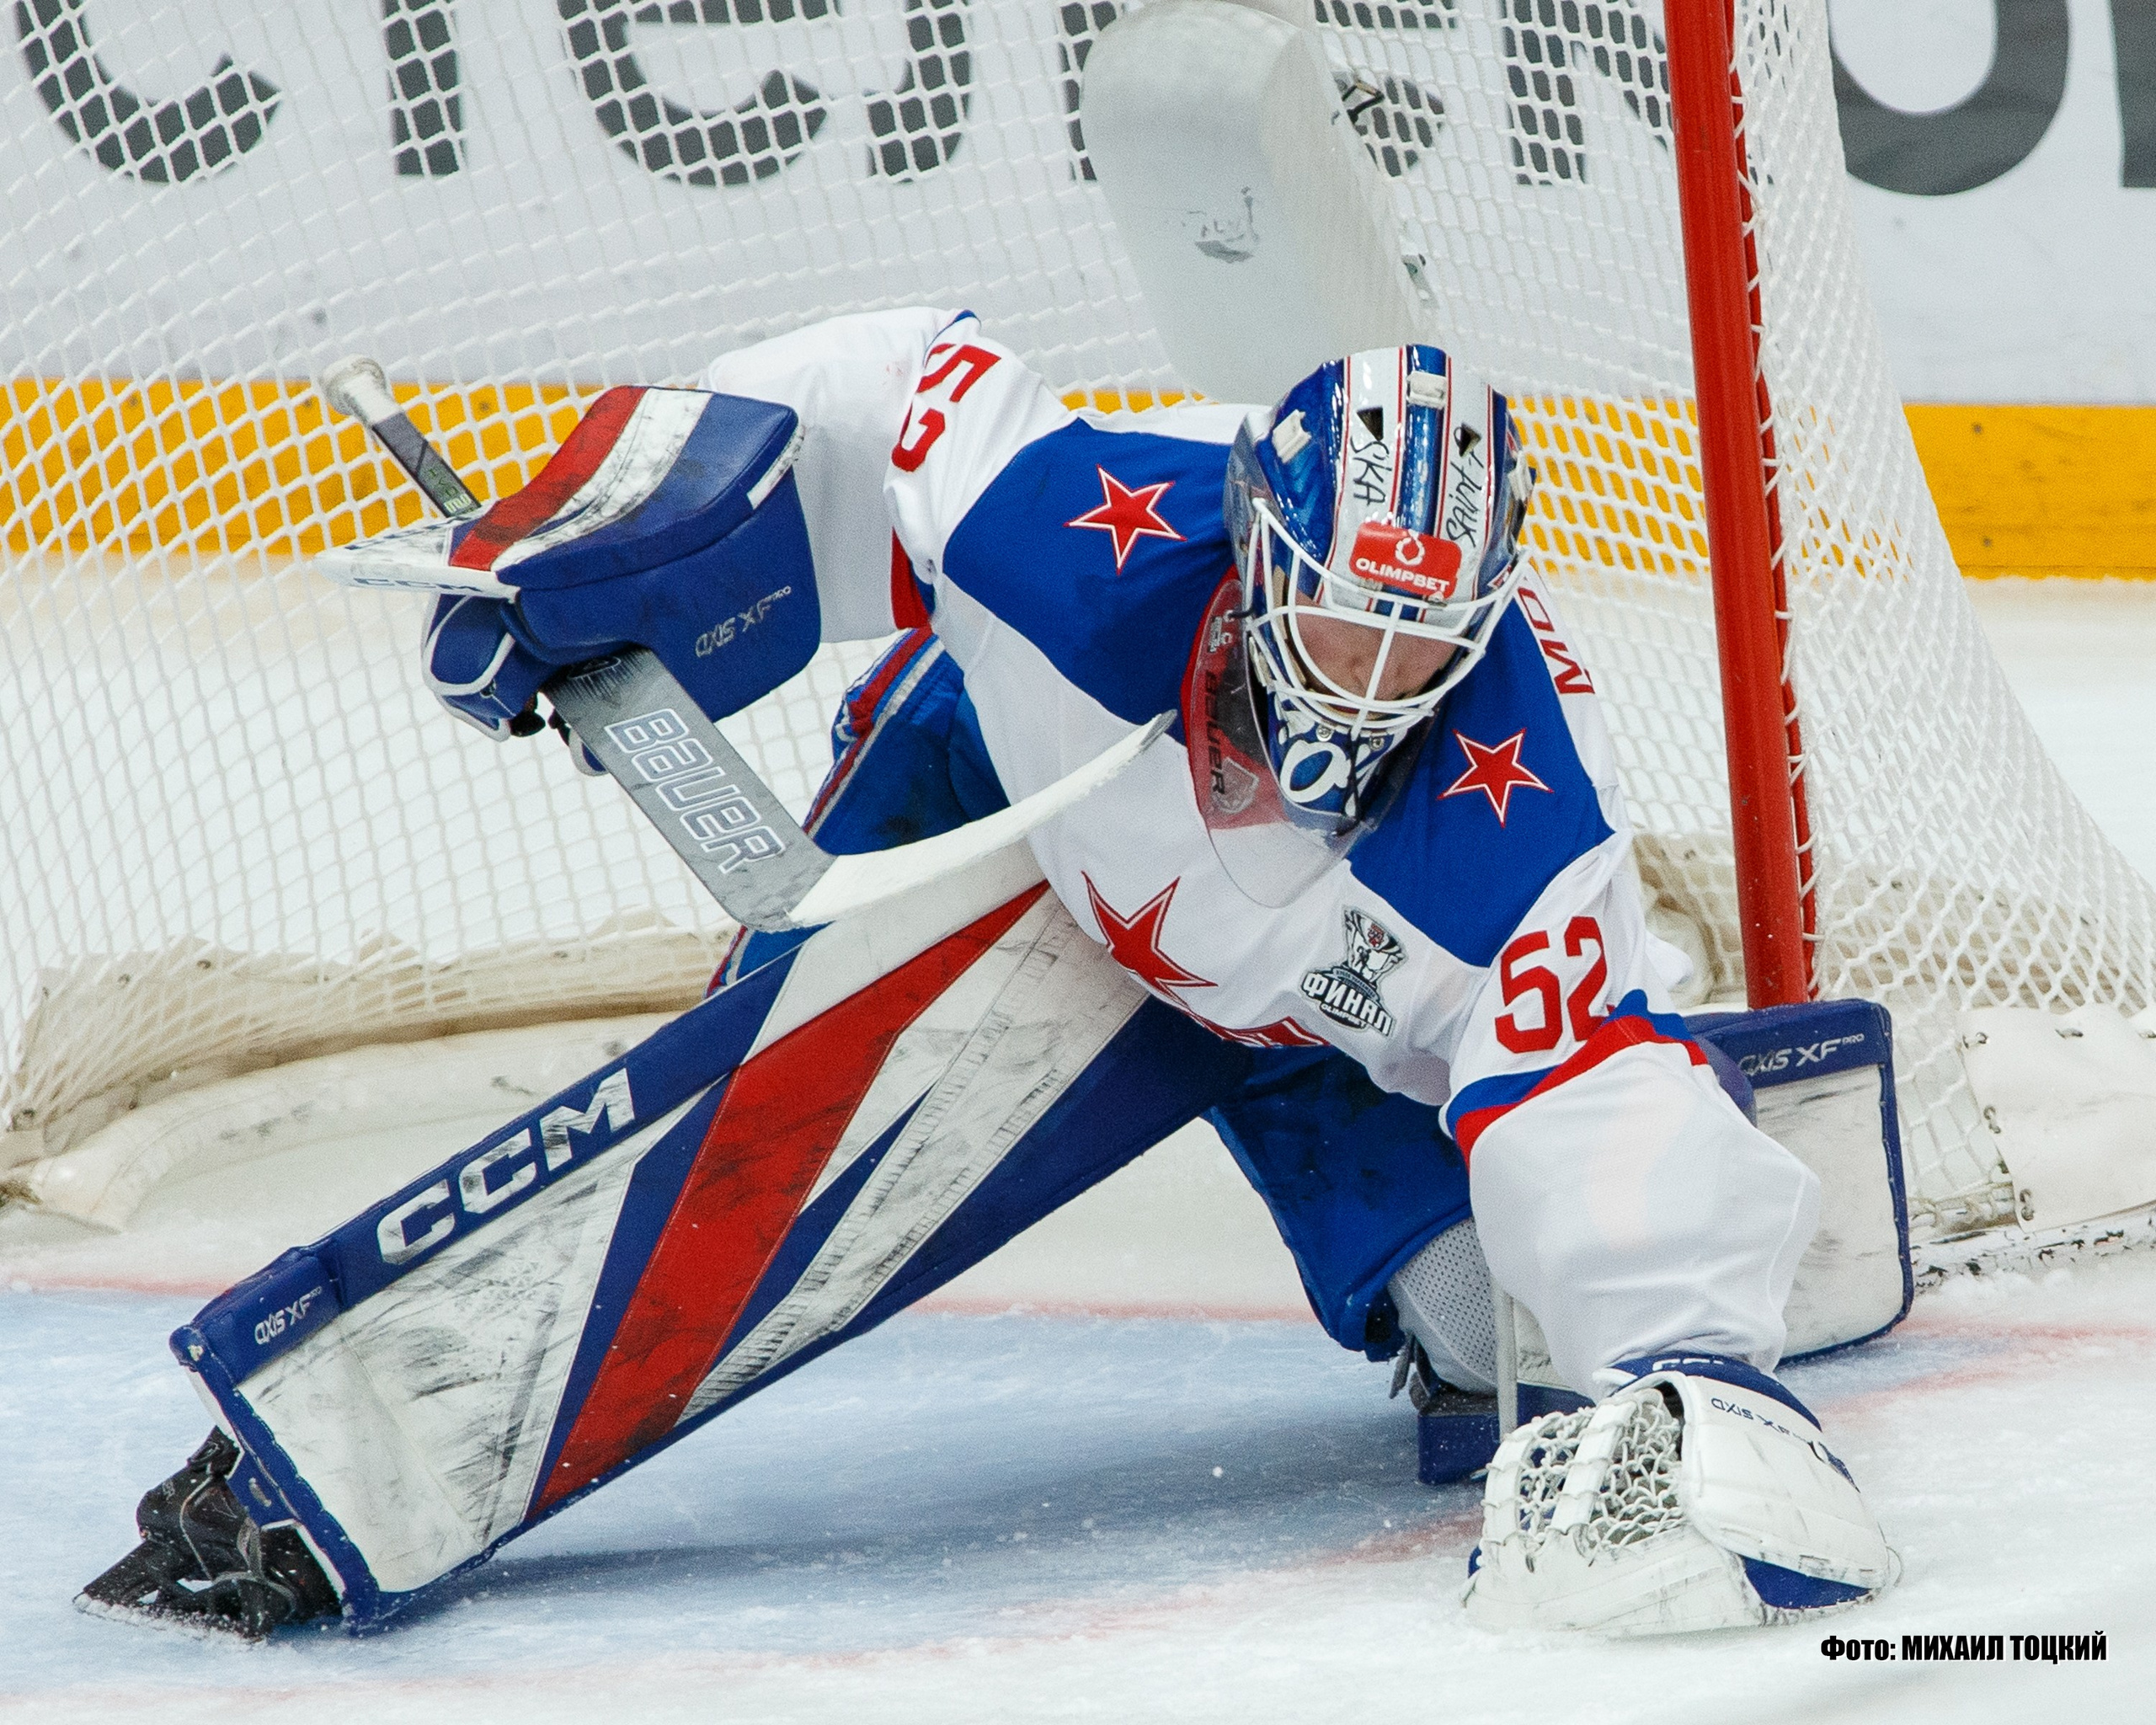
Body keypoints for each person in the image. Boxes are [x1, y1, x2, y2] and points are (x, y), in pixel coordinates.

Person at [85, 309, 1893, 1637]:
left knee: (1472, 1318)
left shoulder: (1512, 842)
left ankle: (1428, 1255)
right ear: (1260, 555)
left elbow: (1587, 1083)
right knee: (768, 1098)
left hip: (1292, 1000)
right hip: (1008, 793)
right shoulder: (1068, 538)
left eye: (1424, 635)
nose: (1372, 676)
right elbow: (871, 402)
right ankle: (388, 1415)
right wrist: (602, 534)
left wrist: (1684, 1363)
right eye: (1344, 615)